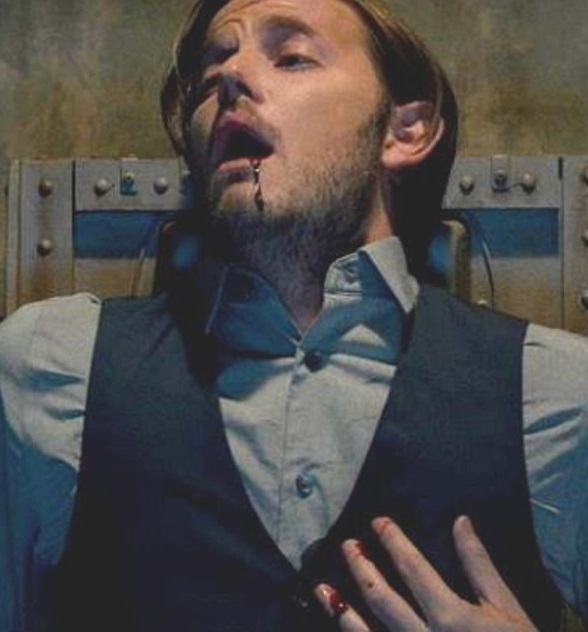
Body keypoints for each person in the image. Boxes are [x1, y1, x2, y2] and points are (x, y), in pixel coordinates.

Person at [0, 0, 586, 630]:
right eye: (211, 73)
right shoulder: (51, 373)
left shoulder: (555, 395)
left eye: (292, 58)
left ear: (403, 131)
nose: (231, 77)